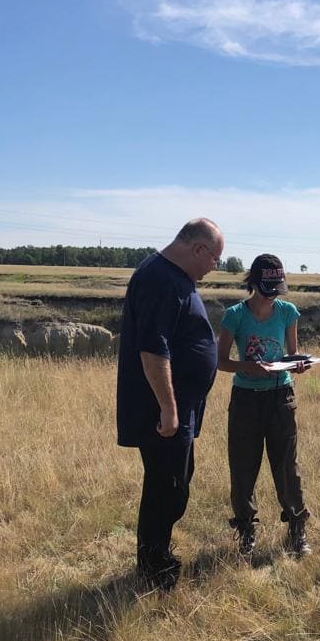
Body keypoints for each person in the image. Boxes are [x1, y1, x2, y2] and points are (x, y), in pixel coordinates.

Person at [116, 218, 224, 590]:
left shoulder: (176, 277)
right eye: (215, 259)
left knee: (174, 483)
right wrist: (169, 408)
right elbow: (152, 350)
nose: (215, 267)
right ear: (198, 249)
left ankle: (156, 554)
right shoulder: (159, 279)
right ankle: (153, 566)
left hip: (179, 406)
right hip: (161, 411)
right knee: (166, 486)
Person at [217, 253, 311, 558]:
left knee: (287, 467)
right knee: (243, 466)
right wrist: (248, 367)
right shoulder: (234, 315)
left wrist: (298, 365)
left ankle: (297, 529)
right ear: (254, 283)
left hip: (280, 397)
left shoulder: (288, 312)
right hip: (246, 399)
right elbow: (220, 362)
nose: (272, 297)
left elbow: (292, 354)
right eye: (267, 289)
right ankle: (246, 530)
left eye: (276, 290)